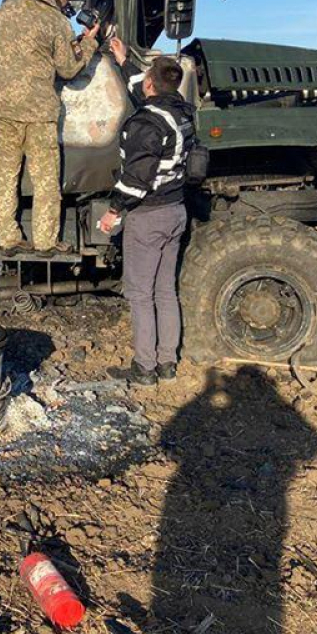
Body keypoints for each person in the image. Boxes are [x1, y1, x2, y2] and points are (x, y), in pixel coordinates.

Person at [0, 0, 101, 256]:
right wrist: (89, 42)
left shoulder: (8, 10)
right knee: (45, 180)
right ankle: (45, 242)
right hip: (37, 113)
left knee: (6, 177)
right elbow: (69, 69)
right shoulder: (57, 23)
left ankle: (8, 239)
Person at [98, 42, 195, 384]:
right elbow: (146, 93)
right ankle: (167, 364)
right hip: (175, 210)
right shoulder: (181, 114)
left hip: (148, 216)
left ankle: (144, 368)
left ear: (151, 84)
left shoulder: (145, 124)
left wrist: (113, 212)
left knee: (140, 294)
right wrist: (125, 62)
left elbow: (136, 179)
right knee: (165, 292)